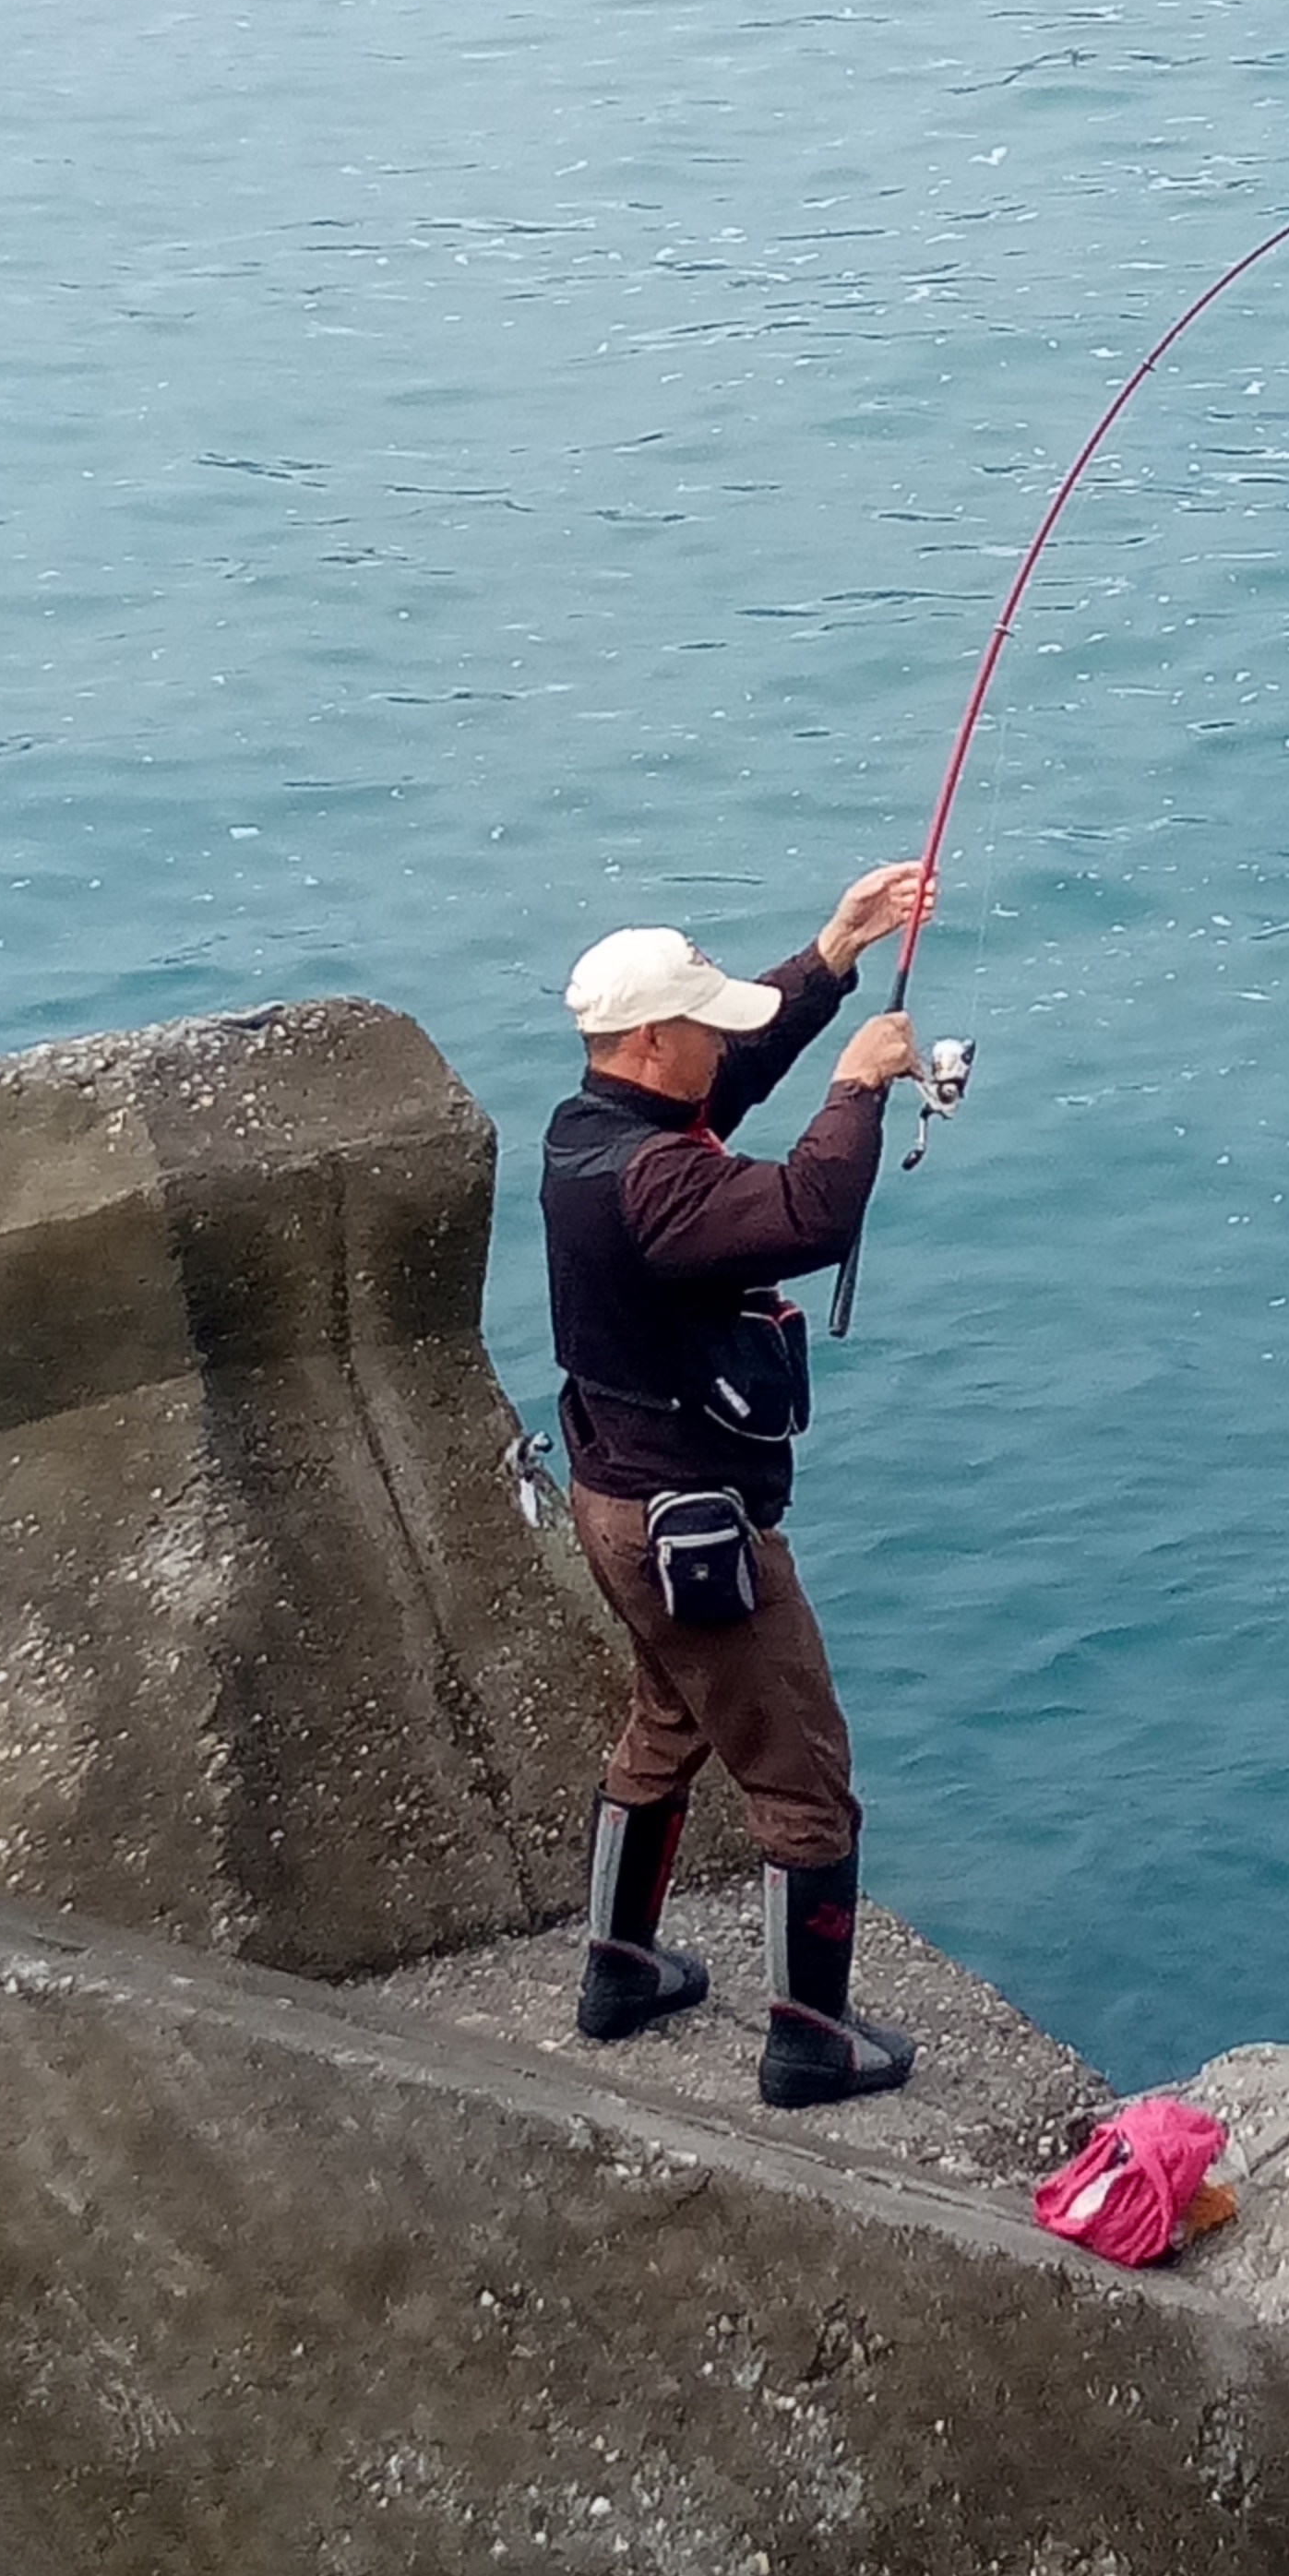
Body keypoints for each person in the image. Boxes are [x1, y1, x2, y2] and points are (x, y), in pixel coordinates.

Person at [542, 863, 929, 2108]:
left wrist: (831, 954)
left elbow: (729, 1087)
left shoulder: (593, 1134)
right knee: (804, 1778)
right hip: (691, 1526)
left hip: (613, 1502)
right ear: (653, 1040)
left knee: (668, 1724)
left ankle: (620, 1967)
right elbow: (808, 1210)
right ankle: (810, 2040)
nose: (722, 1041)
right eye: (703, 1025)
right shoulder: (662, 1184)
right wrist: (858, 1088)